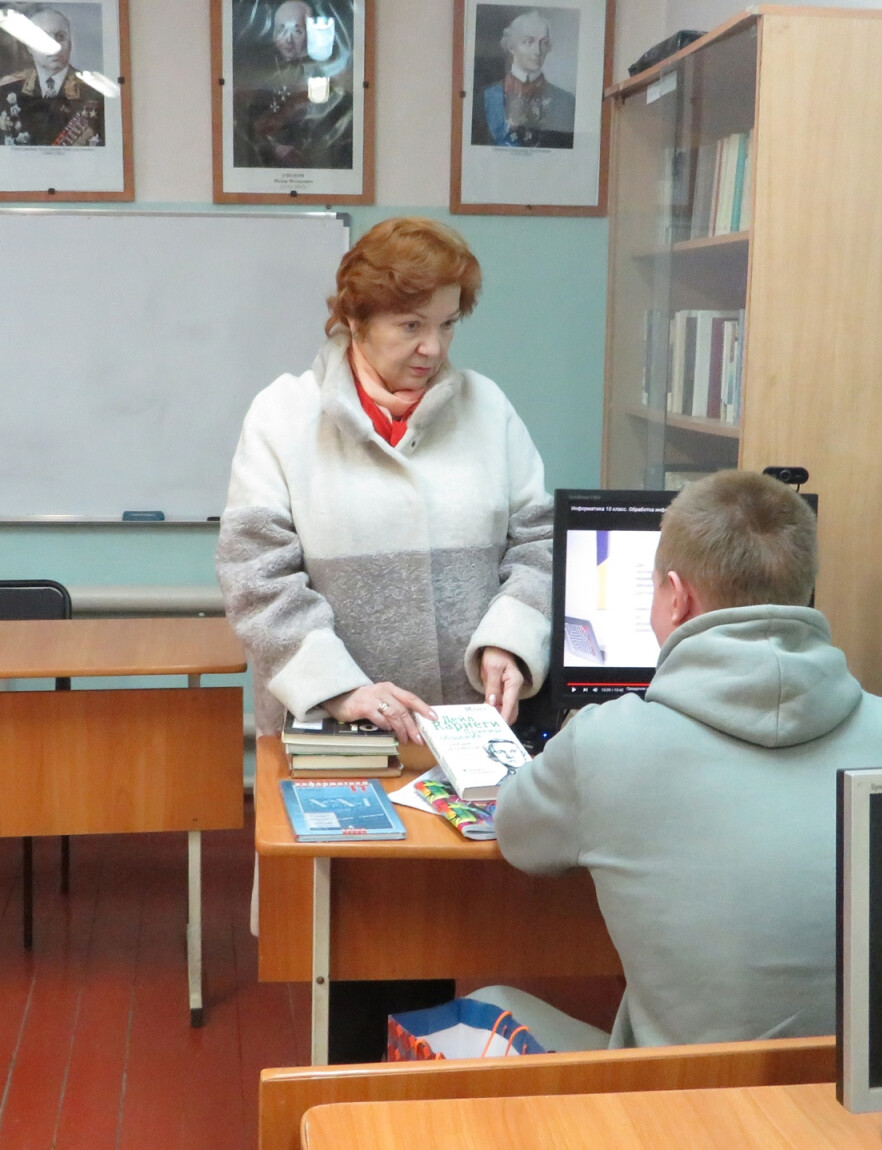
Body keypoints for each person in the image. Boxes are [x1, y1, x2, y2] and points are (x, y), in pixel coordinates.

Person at [218, 217, 553, 1060]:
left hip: (457, 741)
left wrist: (510, 641)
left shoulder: (489, 410)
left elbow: (540, 544)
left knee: (432, 948)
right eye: (410, 325)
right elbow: (256, 576)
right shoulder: (284, 416)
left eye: (447, 324)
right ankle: (350, 1104)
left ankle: (416, 1102)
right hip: (339, 743)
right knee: (348, 960)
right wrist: (341, 688)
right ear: (354, 319)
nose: (432, 348)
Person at [492, 470, 882, 1049]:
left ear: (677, 598)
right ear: (804, 591)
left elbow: (516, 836)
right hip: (845, 1093)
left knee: (490, 1002)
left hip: (683, 1094)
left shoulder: (605, 741)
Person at [235, 0, 352, 169]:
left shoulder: (325, 77)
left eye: (297, 31)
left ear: (310, 34)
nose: (288, 39)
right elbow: (245, 124)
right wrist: (273, 148)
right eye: (281, 30)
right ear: (273, 35)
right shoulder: (259, 77)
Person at [0, 5, 106, 147]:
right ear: (29, 47)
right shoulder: (6, 90)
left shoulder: (95, 92)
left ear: (70, 44)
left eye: (60, 37)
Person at [476, 9, 575, 149]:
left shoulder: (566, 101)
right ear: (511, 47)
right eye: (528, 42)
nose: (537, 51)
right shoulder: (485, 98)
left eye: (544, 43)